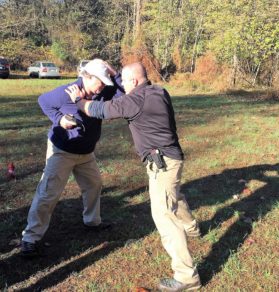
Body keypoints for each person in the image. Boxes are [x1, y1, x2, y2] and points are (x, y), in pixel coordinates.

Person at [65, 62, 201, 291]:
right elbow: (126, 87)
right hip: (170, 158)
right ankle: (193, 228)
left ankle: (187, 278)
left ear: (134, 82)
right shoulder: (158, 91)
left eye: (124, 82)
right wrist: (117, 73)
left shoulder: (134, 100)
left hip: (163, 163)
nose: (121, 86)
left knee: (164, 216)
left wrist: (78, 100)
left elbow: (99, 110)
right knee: (173, 195)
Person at [21, 59, 124, 257]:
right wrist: (59, 119)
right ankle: (30, 238)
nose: (101, 86)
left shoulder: (101, 92)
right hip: (62, 151)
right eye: (99, 82)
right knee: (48, 193)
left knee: (94, 185)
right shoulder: (65, 92)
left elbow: (122, 93)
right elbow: (43, 101)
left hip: (86, 153)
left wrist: (113, 71)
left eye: (104, 82)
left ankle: (92, 222)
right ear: (87, 76)